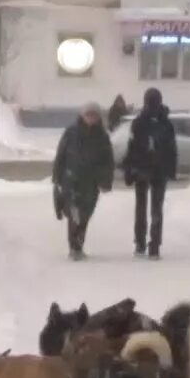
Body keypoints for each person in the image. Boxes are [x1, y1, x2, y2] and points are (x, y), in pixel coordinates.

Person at [51, 102, 114, 261]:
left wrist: (106, 181)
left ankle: (79, 243)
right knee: (75, 214)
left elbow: (108, 161)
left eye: (94, 115)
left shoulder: (102, 136)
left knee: (86, 214)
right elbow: (61, 155)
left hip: (91, 182)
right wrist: (57, 177)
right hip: (71, 180)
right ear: (82, 115)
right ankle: (74, 247)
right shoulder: (71, 133)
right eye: (88, 115)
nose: (91, 118)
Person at [122, 87, 177, 260]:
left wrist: (129, 169)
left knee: (142, 208)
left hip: (143, 170)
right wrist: (171, 169)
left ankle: (140, 244)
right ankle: (153, 246)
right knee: (156, 209)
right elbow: (171, 150)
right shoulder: (165, 123)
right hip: (155, 170)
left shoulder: (140, 121)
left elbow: (132, 147)